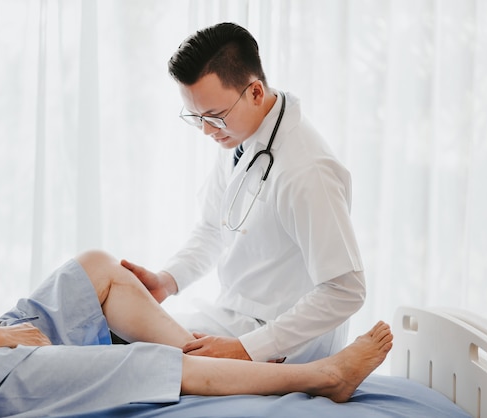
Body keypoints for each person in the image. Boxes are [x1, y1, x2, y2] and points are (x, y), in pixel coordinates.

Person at [0, 250, 392, 417]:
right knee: (143, 364)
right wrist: (0, 340)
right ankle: (324, 375)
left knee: (96, 267)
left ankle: (232, 362)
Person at [121, 22, 366, 364]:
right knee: (121, 330)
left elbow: (346, 291)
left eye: (214, 116)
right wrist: (167, 280)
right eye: (196, 118)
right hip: (236, 319)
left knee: (136, 354)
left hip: (286, 342)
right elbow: (213, 229)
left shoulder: (307, 170)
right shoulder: (240, 135)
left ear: (254, 92)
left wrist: (247, 348)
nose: (206, 130)